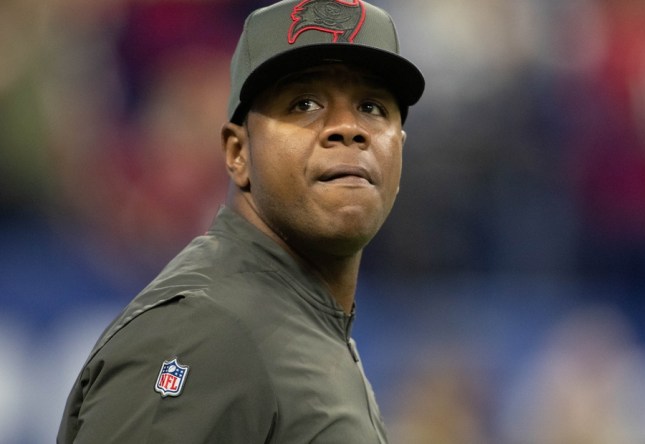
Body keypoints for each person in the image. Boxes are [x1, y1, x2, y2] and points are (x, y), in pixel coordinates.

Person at [57, 0, 424, 442]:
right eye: (303, 103)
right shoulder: (203, 330)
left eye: (372, 107)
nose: (348, 129)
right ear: (238, 153)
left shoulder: (294, 321)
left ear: (399, 151)